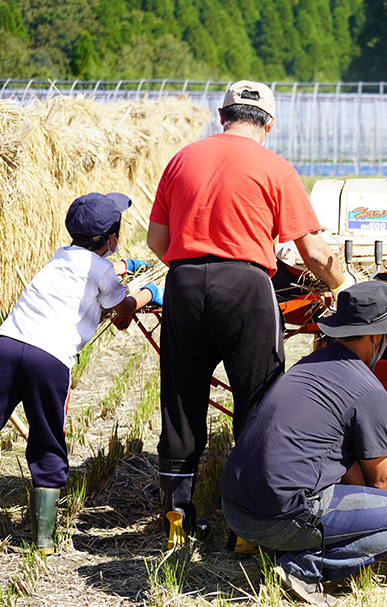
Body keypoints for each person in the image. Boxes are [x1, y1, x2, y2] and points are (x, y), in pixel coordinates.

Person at [146, 81, 350, 541]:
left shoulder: (182, 160)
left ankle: (177, 520)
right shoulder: (276, 168)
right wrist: (344, 285)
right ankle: (248, 525)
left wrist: (196, 269)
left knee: (181, 402)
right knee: (258, 403)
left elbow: (157, 241)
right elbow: (314, 254)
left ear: (222, 116)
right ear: (269, 125)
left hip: (184, 281)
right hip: (245, 286)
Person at [0, 192, 161, 550]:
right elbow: (122, 311)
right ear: (111, 238)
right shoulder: (103, 271)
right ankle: (42, 540)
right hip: (50, 360)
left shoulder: (60, 257)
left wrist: (122, 267)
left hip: (8, 346)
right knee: (47, 438)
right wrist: (149, 291)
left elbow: (97, 277)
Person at [220, 281, 387, 607]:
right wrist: (384, 514)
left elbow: (341, 460)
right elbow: (381, 481)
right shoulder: (368, 390)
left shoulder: (309, 365)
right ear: (376, 337)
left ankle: (281, 550)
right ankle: (301, 566)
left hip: (235, 512)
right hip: (278, 520)